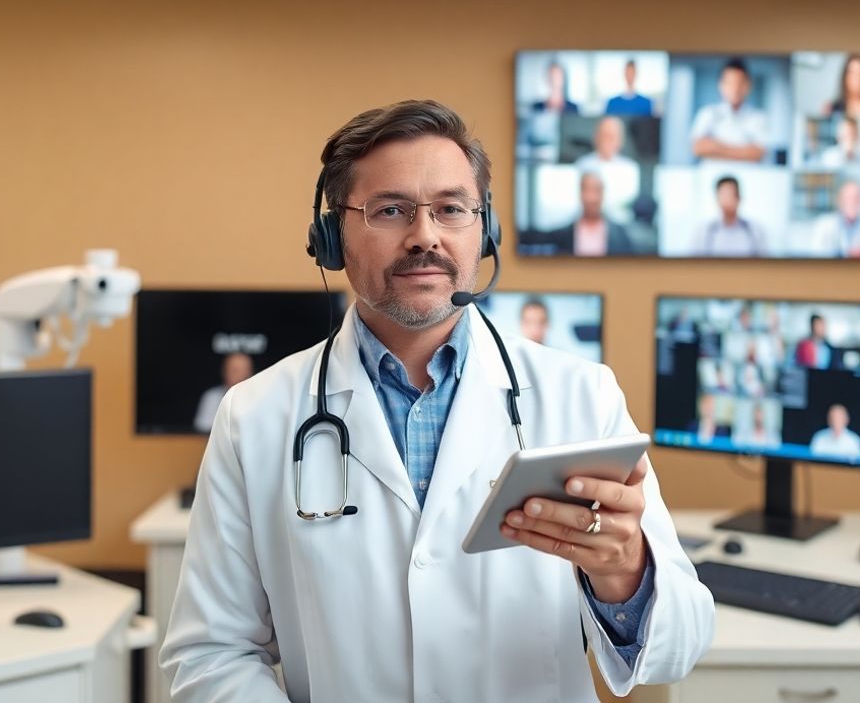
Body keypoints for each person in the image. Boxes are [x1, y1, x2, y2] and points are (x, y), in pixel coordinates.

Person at [161, 100, 713, 702]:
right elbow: (211, 653)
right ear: (331, 237)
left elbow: (680, 647)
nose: (425, 236)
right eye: (391, 210)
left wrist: (625, 571)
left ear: (485, 230)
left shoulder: (582, 396)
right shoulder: (253, 416)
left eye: (451, 209)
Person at [690, 58, 768, 163]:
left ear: (748, 85)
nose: (735, 89)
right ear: (721, 85)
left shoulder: (759, 118)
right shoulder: (708, 113)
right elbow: (698, 148)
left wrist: (715, 147)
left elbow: (758, 153)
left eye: (739, 83)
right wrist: (743, 150)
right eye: (730, 83)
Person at [544, 171, 634, 256]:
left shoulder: (621, 235)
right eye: (586, 190)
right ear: (580, 193)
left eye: (596, 191)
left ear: (603, 194)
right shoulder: (562, 236)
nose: (591, 198)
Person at [574, 117, 641, 219]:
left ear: (620, 140)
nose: (607, 141)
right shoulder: (582, 165)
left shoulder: (630, 168)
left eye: (612, 136)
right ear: (596, 137)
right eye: (604, 135)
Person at [691, 175, 765, 257]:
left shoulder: (755, 231)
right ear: (717, 199)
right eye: (723, 195)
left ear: (739, 198)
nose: (727, 200)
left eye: (730, 195)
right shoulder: (703, 232)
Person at [811, 179, 860, 258]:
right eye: (848, 198)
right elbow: (817, 256)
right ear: (839, 201)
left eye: (856, 198)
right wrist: (848, 254)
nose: (852, 202)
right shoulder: (824, 224)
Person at [193, 352, 255, 433]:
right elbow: (201, 427)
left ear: (251, 373)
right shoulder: (211, 397)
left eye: (243, 371)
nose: (240, 376)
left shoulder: (260, 398)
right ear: (224, 372)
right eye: (234, 371)